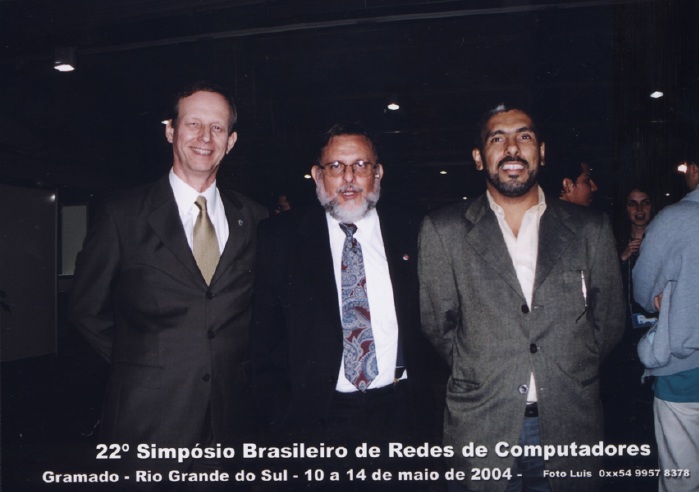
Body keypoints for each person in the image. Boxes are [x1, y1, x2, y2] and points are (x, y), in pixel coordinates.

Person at [69, 81, 268, 487]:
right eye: (193, 124)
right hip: (146, 422)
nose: (204, 137)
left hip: (232, 424)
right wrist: (144, 365)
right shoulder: (122, 213)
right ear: (170, 131)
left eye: (217, 128)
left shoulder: (256, 218)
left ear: (230, 142)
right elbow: (86, 309)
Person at [418, 103, 625, 492]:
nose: (512, 148)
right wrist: (487, 367)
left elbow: (610, 321)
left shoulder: (590, 229)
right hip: (482, 426)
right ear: (479, 157)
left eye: (524, 136)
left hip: (569, 425)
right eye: (497, 138)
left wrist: (566, 365)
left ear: (541, 152)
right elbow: (437, 326)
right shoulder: (443, 230)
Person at [251, 123, 432, 470]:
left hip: (400, 415)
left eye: (360, 165)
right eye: (335, 166)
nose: (349, 178)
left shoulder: (414, 230)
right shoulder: (280, 238)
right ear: (318, 175)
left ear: (378, 173)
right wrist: (280, 420)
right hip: (316, 422)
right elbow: (264, 342)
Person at [633, 159, 699, 492]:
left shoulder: (675, 219)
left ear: (695, 170)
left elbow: (644, 293)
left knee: (682, 479)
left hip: (685, 373)